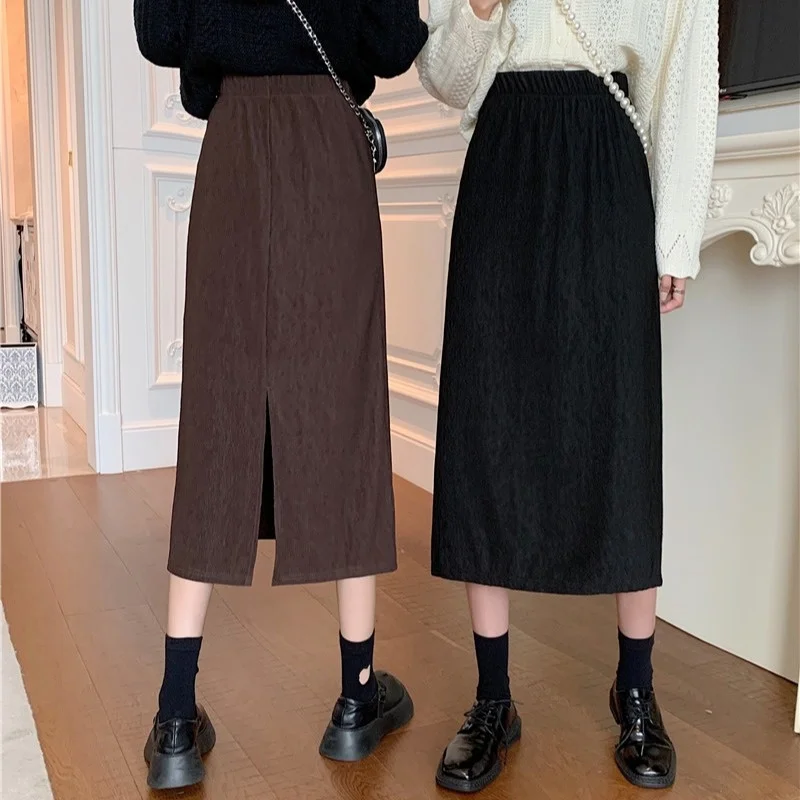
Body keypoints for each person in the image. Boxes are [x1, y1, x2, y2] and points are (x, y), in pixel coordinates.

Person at [416, 0, 718, 792]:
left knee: (621, 427)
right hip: (502, 157)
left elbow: (683, 77)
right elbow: (446, 78)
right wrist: (478, 11)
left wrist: (676, 235)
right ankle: (492, 697)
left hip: (607, 156)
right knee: (487, 423)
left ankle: (637, 690)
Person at [133, 0, 427, 790]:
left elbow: (160, 33)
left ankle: (174, 717)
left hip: (234, 142)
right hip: (328, 143)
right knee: (342, 407)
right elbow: (395, 42)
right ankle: (357, 699)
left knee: (219, 408)